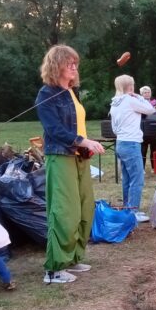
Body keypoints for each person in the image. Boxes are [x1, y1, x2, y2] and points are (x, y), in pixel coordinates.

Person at [36, 45, 105, 284]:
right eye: (69, 63)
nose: (74, 67)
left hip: (79, 157)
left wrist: (87, 146)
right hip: (61, 156)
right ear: (57, 66)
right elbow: (54, 130)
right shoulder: (47, 94)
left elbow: (77, 124)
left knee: (85, 208)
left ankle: (72, 258)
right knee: (65, 211)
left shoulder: (71, 92)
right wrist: (83, 141)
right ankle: (54, 269)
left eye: (76, 63)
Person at [110, 75, 156, 223]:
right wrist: (139, 97)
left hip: (121, 142)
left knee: (127, 178)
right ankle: (133, 211)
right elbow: (150, 109)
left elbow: (114, 128)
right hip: (131, 143)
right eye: (133, 85)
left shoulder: (115, 102)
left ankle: (127, 208)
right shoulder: (130, 100)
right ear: (130, 87)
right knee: (137, 178)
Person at [140, 85, 156, 172]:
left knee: (154, 149)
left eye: (148, 92)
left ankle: (154, 167)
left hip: (153, 128)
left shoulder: (154, 102)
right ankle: (142, 168)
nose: (147, 94)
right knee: (143, 150)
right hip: (143, 128)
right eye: (145, 92)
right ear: (141, 94)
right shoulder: (139, 102)